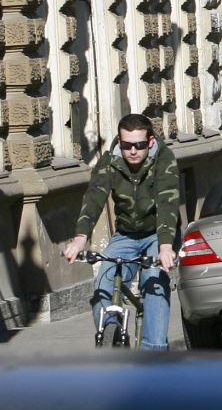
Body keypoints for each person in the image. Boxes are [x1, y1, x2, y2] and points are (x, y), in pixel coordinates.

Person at [61, 113, 180, 351]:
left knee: (153, 284)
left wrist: (166, 247)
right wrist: (80, 238)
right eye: (126, 145)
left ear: (149, 141)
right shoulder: (110, 161)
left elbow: (167, 203)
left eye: (138, 145)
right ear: (119, 141)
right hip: (125, 235)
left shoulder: (164, 159)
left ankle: (153, 351)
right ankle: (113, 337)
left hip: (157, 235)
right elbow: (94, 197)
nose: (132, 151)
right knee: (103, 286)